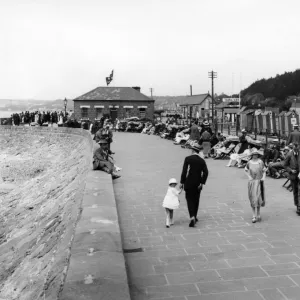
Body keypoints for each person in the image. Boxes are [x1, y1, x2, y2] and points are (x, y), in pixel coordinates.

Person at [180, 144, 209, 227]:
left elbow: (184, 172)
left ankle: (192, 216)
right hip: (198, 183)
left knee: (189, 200)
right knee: (196, 200)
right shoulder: (202, 160)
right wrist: (202, 182)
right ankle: (195, 216)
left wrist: (182, 182)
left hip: (188, 183)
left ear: (193, 151)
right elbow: (206, 172)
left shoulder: (188, 159)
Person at [244, 149, 267, 223]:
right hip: (252, 182)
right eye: (254, 154)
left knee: (258, 198)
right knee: (253, 198)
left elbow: (264, 171)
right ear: (252, 155)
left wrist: (263, 177)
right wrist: (249, 176)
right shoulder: (249, 163)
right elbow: (245, 170)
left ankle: (258, 213)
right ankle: (253, 215)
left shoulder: (260, 162)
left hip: (259, 182)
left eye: (256, 154)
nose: (255, 155)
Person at [283, 142, 300, 215]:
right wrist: (290, 170)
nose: (296, 149)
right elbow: (285, 165)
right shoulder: (289, 154)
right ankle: (297, 204)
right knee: (295, 191)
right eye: (295, 147)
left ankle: (299, 207)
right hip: (293, 176)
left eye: (297, 147)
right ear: (292, 148)